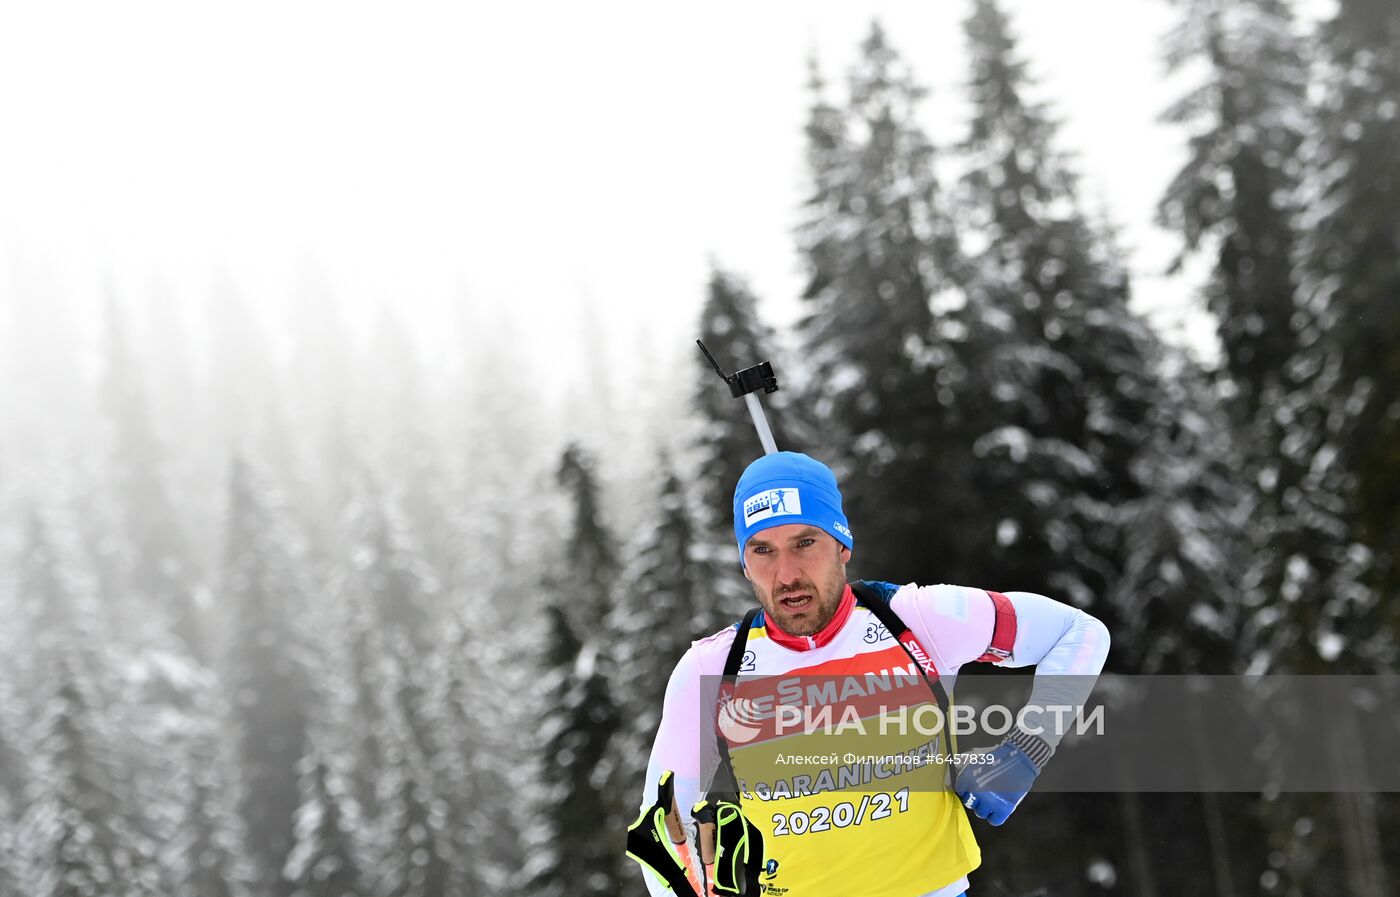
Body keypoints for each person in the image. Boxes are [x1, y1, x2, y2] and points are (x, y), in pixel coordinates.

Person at [636, 451, 1110, 897]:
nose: (786, 575)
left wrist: (1026, 750)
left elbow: (1077, 632)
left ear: (842, 545)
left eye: (805, 543)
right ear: (744, 564)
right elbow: (662, 828)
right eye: (762, 550)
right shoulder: (714, 669)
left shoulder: (915, 620)